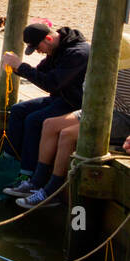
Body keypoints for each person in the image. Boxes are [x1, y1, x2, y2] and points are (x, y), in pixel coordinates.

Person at [18, 62, 130, 209]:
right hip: (101, 108)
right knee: (49, 125)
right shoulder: (106, 56)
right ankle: (37, 181)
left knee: (67, 134)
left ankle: (52, 192)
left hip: (123, 118)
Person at [1, 22, 91, 200]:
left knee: (34, 120)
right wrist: (16, 67)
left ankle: (29, 175)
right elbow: (40, 72)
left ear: (49, 38)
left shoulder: (77, 53)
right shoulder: (58, 47)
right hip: (61, 98)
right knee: (18, 110)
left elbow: (51, 83)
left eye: (38, 47)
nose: (39, 52)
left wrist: (21, 66)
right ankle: (9, 161)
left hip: (74, 103)